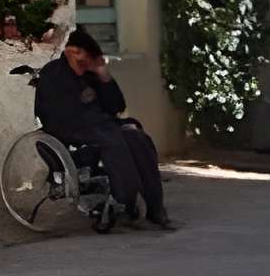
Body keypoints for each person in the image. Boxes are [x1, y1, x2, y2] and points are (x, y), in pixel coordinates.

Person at [32, 25, 172, 228]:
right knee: (113, 139)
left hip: (100, 126)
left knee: (137, 137)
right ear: (72, 52)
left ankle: (155, 207)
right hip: (68, 130)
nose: (84, 67)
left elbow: (117, 107)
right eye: (82, 62)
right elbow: (54, 115)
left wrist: (103, 75)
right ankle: (124, 199)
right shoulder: (53, 74)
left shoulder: (90, 74)